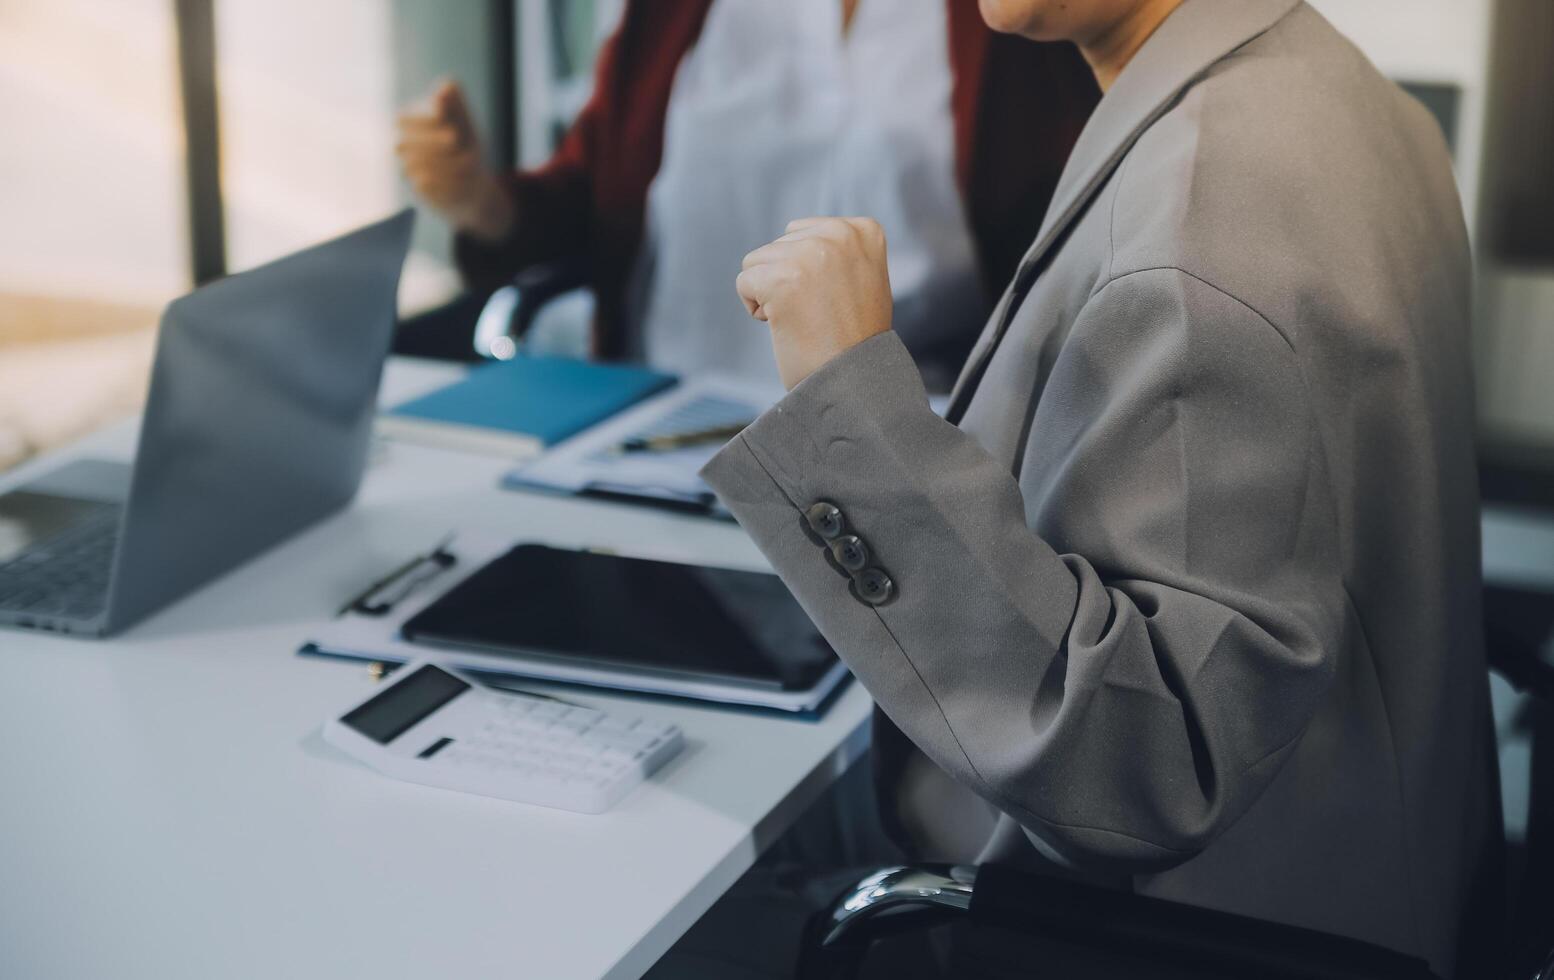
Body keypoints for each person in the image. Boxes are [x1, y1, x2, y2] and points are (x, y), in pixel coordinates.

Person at [701, 0, 1500, 976]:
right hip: (1367, 866)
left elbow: (1146, 767)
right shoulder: (1336, 89)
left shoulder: (1205, 216)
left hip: (1135, 934)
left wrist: (848, 411)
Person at [395, 0, 1099, 389]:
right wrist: (478, 203)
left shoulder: (1019, 15)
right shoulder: (672, 15)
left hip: (920, 435)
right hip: (662, 424)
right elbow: (595, 194)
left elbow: (1073, 238)